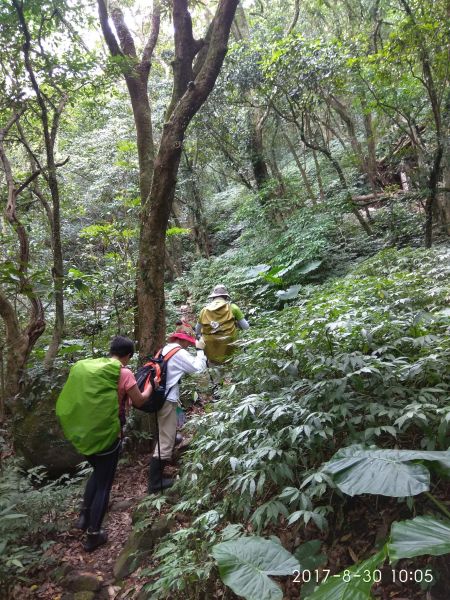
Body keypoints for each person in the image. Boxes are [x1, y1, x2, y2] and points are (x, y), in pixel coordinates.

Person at [57, 336, 152, 552]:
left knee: (96, 473)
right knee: (104, 483)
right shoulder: (124, 372)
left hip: (85, 434)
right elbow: (139, 401)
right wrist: (151, 389)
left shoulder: (91, 368)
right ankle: (93, 534)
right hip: (108, 437)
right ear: (128, 355)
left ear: (111, 351)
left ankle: (83, 516)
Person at [149, 323, 207, 492]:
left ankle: (158, 477)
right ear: (181, 340)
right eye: (188, 342)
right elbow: (198, 368)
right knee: (166, 440)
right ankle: (155, 483)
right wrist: (200, 350)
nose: (189, 345)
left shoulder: (165, 349)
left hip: (161, 397)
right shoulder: (179, 352)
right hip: (168, 400)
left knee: (168, 435)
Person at [195, 284, 249, 365]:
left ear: (213, 297)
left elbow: (197, 330)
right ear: (226, 297)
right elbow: (246, 327)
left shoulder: (204, 310)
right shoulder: (233, 307)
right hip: (230, 343)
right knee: (231, 365)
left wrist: (199, 337)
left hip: (210, 345)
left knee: (215, 368)